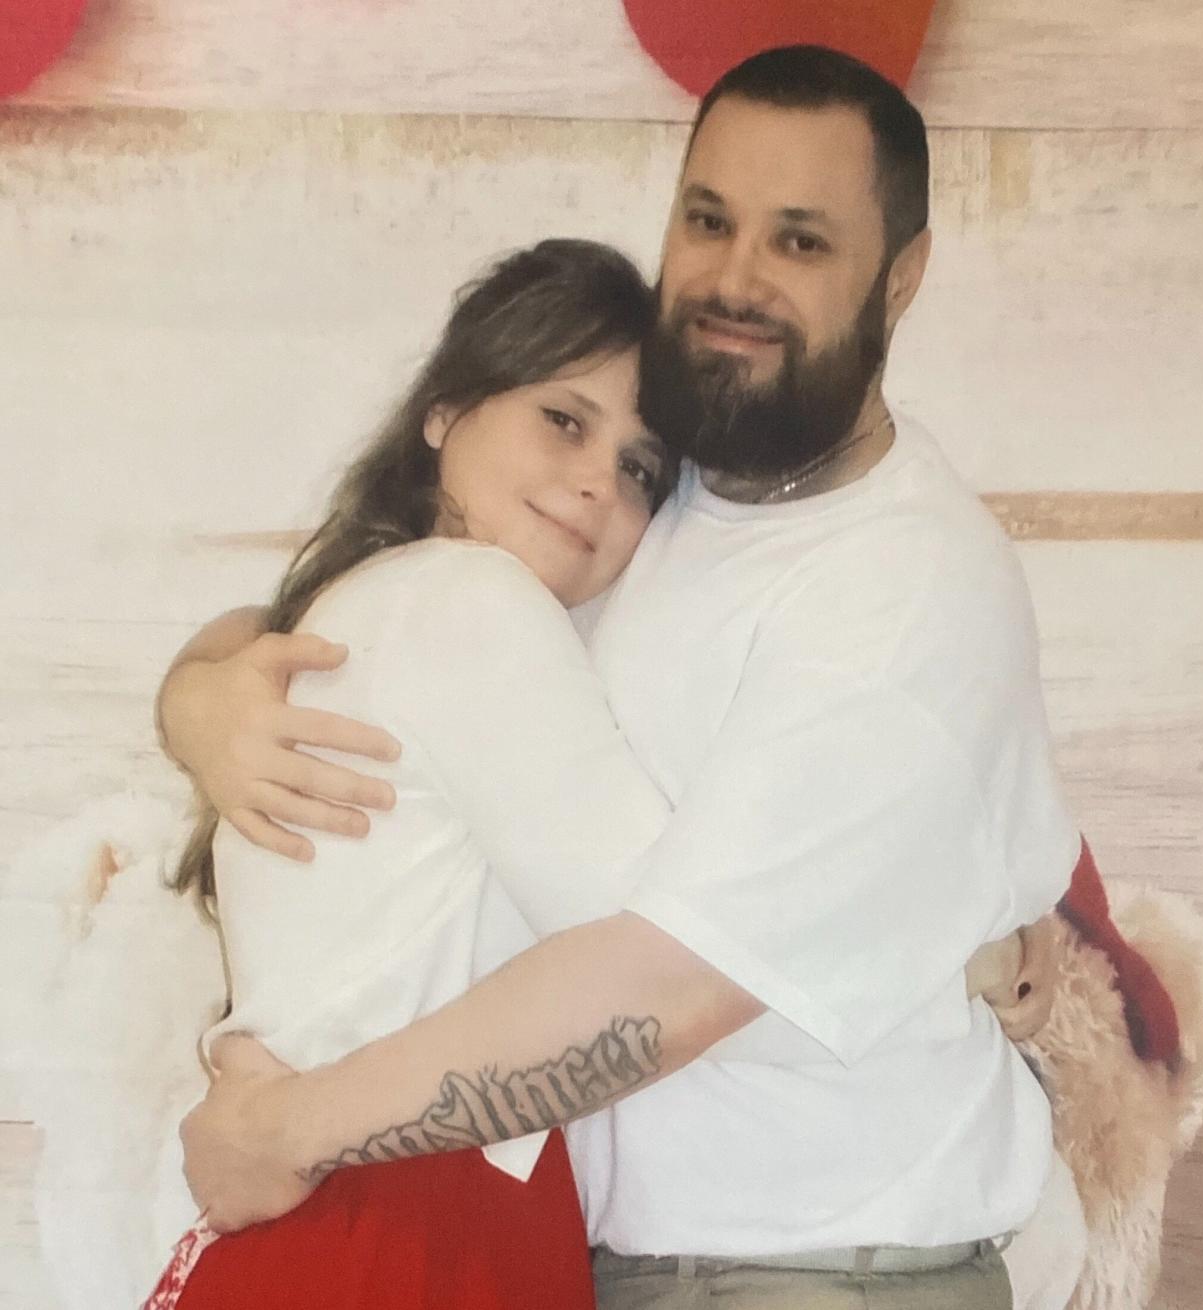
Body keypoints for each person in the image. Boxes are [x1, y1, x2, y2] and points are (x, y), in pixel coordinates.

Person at [162, 46, 1086, 1310]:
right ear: (447, 408)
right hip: (503, 1233)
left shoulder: (900, 582)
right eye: (709, 219)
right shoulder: (653, 498)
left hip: (803, 1268)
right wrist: (199, 694)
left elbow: (663, 975)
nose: (738, 276)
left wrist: (291, 1125)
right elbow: (360, 645)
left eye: (802, 241)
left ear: (901, 277)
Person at [142, 236, 678, 1309]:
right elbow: (668, 937)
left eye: (640, 466)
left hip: (334, 1219)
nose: (595, 481)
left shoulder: (357, 608)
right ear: (445, 411)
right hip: (413, 1226)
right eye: (564, 419)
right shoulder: (470, 600)